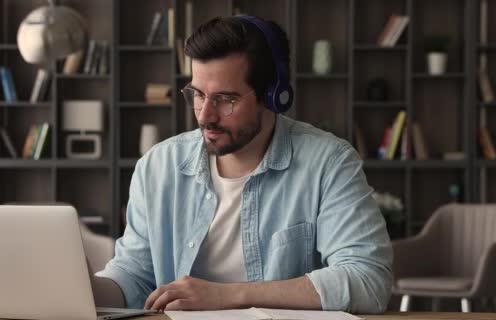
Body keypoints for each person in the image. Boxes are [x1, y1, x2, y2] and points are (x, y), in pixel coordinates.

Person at [92, 15, 393, 314]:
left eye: (225, 99)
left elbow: (368, 280)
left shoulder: (329, 163)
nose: (205, 116)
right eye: (197, 94)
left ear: (273, 95)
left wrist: (226, 296)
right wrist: (82, 289)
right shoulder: (157, 167)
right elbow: (134, 275)